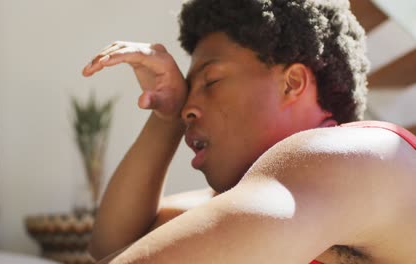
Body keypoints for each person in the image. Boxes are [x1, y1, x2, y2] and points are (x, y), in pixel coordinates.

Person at [82, 0, 416, 263]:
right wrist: (166, 116)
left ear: (292, 83)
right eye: (187, 91)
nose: (188, 108)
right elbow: (116, 242)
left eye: (210, 81)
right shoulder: (260, 195)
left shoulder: (360, 159)